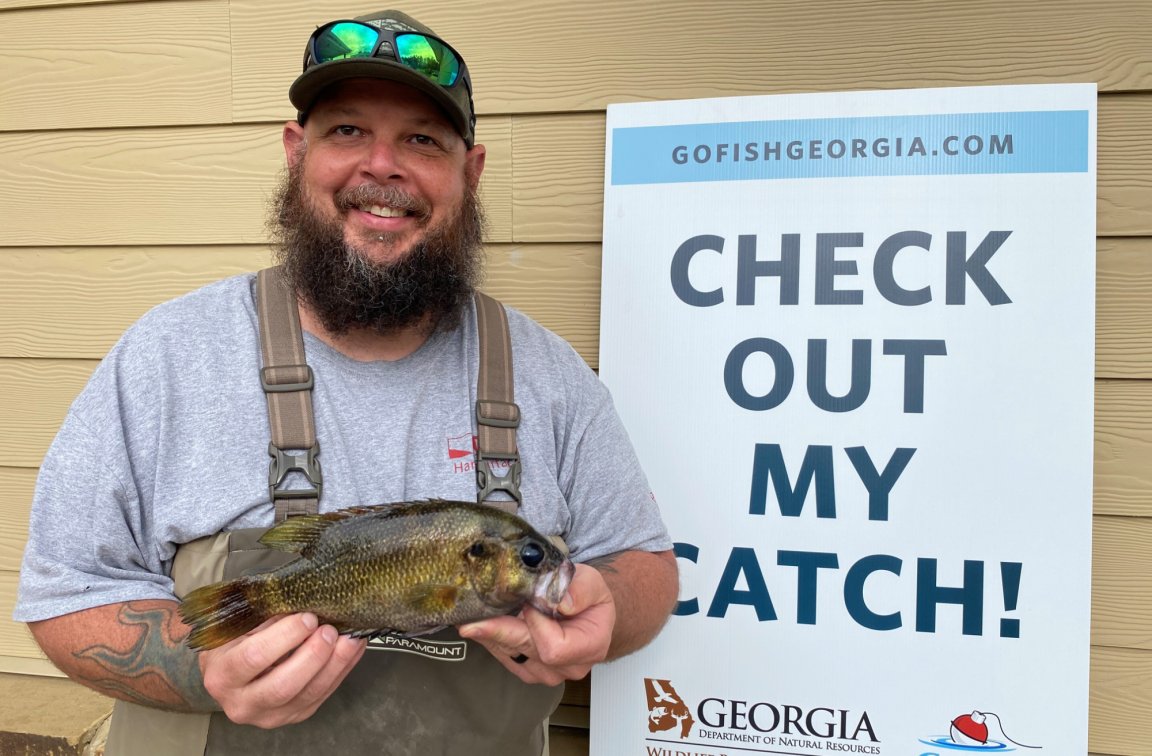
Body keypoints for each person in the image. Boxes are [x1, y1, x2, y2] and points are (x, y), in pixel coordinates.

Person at [14, 9, 678, 755]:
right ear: (298, 153)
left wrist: (609, 608)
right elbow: (66, 591)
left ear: (471, 170)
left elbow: (644, 566)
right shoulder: (166, 356)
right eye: (347, 131)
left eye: (422, 139)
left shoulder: (552, 375)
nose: (381, 167)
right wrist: (203, 665)